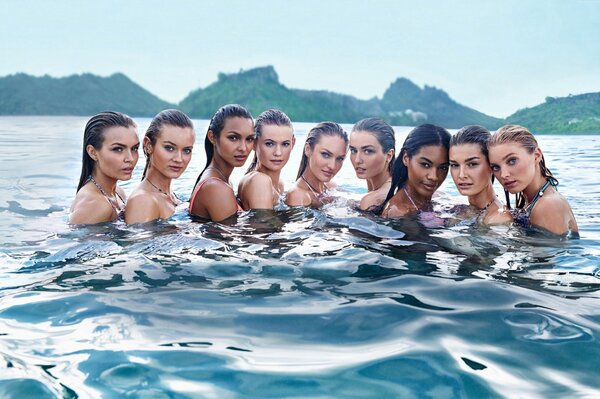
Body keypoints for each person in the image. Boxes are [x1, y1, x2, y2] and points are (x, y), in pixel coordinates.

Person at [488, 124, 578, 235]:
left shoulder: (547, 205)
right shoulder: (535, 201)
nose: (503, 174)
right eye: (496, 167)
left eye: (512, 161)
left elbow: (551, 252)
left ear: (536, 155)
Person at [125, 109, 195, 224]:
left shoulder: (169, 195)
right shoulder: (143, 201)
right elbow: (139, 242)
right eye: (169, 148)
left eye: (186, 150)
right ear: (148, 145)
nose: (179, 159)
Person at [69, 111, 139, 224]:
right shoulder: (95, 204)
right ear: (93, 152)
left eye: (134, 148)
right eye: (118, 149)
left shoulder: (119, 193)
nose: (130, 158)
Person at [189, 104, 254, 221]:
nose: (243, 148)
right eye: (233, 138)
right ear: (212, 137)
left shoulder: (224, 181)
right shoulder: (216, 187)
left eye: (249, 139)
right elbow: (235, 238)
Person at [380, 124, 450, 218]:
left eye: (443, 168)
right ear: (406, 158)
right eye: (425, 165)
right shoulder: (398, 212)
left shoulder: (439, 198)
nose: (434, 176)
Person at [449, 125, 512, 224]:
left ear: (491, 166)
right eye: (455, 165)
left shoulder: (498, 219)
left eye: (472, 164)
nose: (461, 175)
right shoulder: (463, 208)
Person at [238, 109, 295, 210]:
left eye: (285, 144)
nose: (278, 152)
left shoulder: (279, 184)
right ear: (254, 144)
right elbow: (263, 225)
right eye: (269, 144)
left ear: (293, 143)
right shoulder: (260, 182)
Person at [286, 122, 348, 207]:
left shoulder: (332, 187)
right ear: (308, 149)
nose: (332, 166)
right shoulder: (297, 195)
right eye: (325, 154)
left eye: (339, 158)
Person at [349, 118, 395, 211]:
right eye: (353, 150)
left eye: (368, 151)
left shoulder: (370, 201)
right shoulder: (396, 185)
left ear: (389, 155)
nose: (357, 160)